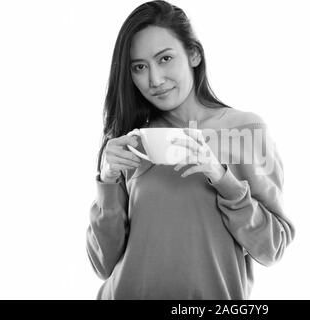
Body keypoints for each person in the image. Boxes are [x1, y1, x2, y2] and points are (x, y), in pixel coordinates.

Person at [86, 0, 295, 300]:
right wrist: (107, 180)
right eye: (139, 67)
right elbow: (102, 263)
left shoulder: (246, 130)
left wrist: (222, 178)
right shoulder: (133, 139)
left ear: (194, 54)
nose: (154, 80)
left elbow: (272, 247)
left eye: (165, 59)